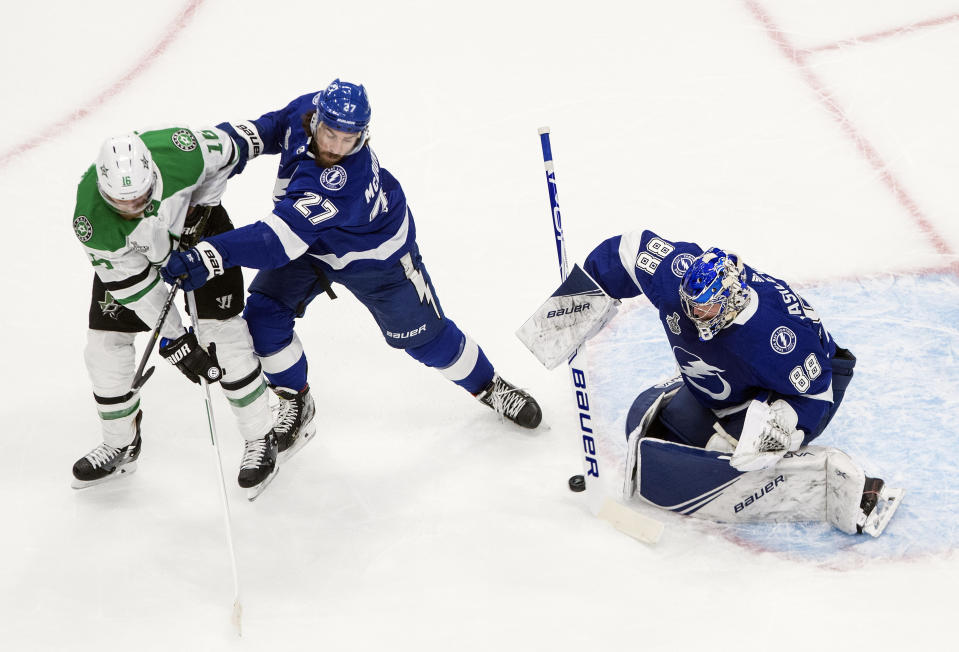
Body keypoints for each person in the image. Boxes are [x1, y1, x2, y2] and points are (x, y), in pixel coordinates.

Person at [161, 79, 541, 446]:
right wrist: (212, 154)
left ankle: (489, 386)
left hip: (376, 259)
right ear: (318, 118)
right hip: (310, 246)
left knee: (426, 339)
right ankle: (296, 399)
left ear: (363, 135)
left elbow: (278, 240)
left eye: (350, 139)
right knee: (263, 319)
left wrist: (209, 255)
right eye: (330, 134)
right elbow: (269, 128)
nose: (338, 146)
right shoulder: (305, 111)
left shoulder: (344, 180)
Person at [521, 229, 902, 536]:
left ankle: (845, 487)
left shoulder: (772, 338)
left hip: (810, 381)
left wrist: (784, 427)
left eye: (708, 308)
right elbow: (625, 251)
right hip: (737, 381)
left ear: (733, 297)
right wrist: (580, 304)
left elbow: (817, 392)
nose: (698, 315)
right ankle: (726, 403)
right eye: (693, 306)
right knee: (661, 426)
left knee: (740, 448)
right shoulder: (677, 279)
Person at [72, 128, 282, 498]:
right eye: (123, 203)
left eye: (140, 196)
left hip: (202, 237)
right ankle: (121, 443)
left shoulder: (182, 151)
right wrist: (176, 338)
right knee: (104, 348)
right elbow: (136, 289)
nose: (134, 206)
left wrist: (204, 205)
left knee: (222, 337)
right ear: (105, 192)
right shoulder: (91, 221)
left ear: (153, 173)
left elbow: (235, 147)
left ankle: (261, 435)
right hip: (130, 259)